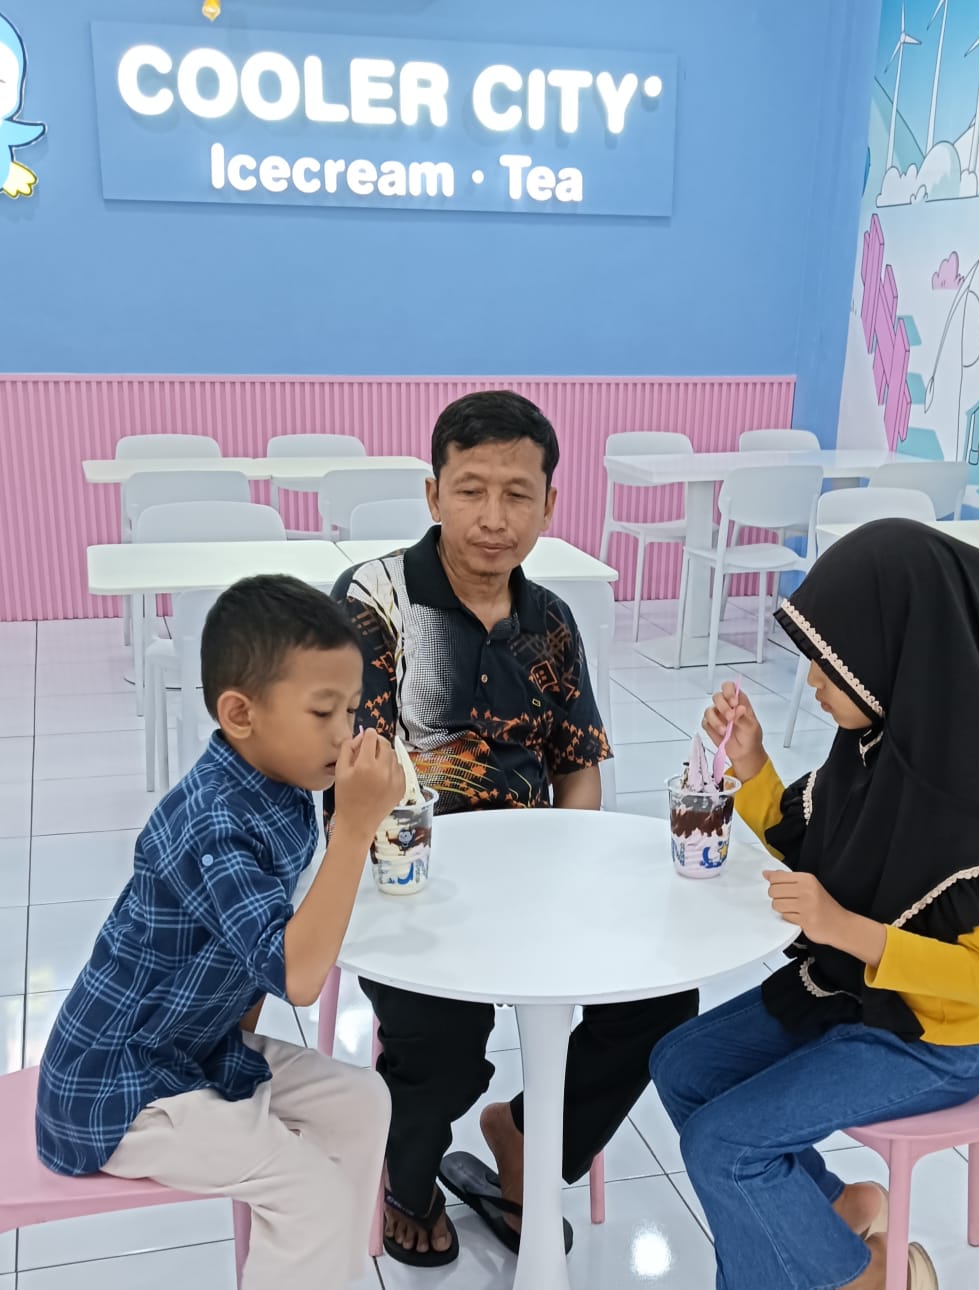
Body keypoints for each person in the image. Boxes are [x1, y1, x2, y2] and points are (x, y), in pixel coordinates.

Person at [650, 519, 979, 1290]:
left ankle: (867, 1280)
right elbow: (814, 847)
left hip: (937, 1041)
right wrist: (752, 764)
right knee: (681, 1065)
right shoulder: (876, 749)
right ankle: (834, 1211)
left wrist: (845, 928)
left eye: (831, 663)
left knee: (724, 1147)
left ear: (898, 658)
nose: (814, 682)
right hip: (854, 995)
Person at [327, 389, 699, 1266]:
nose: (493, 519)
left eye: (517, 494)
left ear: (549, 505)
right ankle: (408, 1180)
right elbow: (360, 776)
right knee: (444, 1048)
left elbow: (577, 766)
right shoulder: (376, 602)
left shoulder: (551, 621)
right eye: (471, 490)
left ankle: (527, 1138)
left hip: (536, 876)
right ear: (433, 494)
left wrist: (571, 874)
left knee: (660, 1003)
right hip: (409, 880)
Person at [36, 575, 405, 1290]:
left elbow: (254, 965)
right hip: (117, 1087)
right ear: (240, 714)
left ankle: (327, 1274)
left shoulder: (283, 788)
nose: (346, 733)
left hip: (193, 1047)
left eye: (352, 709)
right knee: (311, 1194)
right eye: (323, 711)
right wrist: (356, 827)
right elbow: (298, 977)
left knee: (365, 1102)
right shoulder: (214, 822)